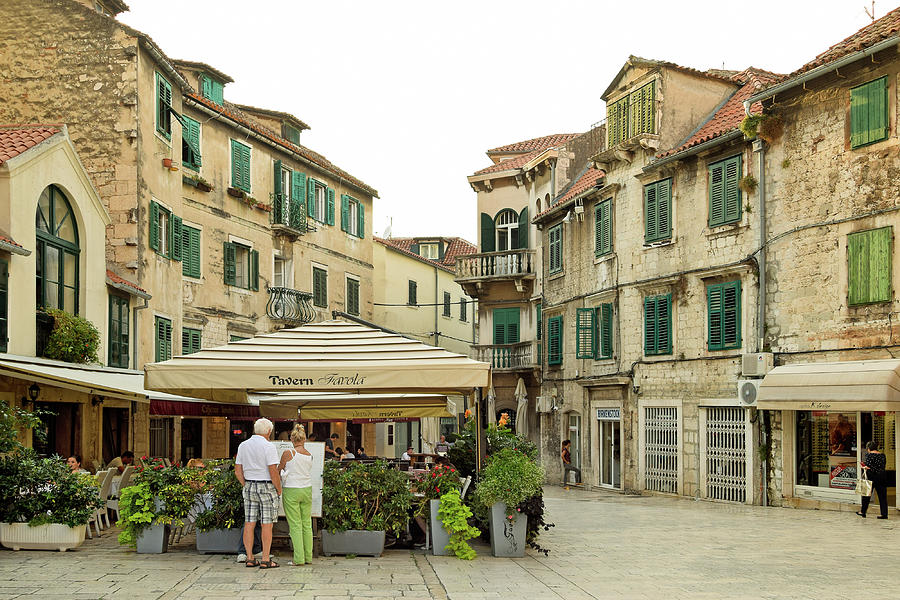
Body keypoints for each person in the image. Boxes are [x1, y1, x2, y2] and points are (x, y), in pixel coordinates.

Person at [235, 417, 282, 568]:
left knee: (249, 523)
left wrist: (246, 484)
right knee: (267, 524)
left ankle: (249, 558)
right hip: (266, 486)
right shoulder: (269, 447)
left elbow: (237, 471)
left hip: (249, 485)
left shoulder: (243, 445)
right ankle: (265, 559)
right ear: (269, 431)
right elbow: (273, 471)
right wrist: (278, 489)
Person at [278, 424, 313, 566]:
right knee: (306, 524)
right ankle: (308, 557)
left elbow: (278, 468)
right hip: (307, 489)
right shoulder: (309, 455)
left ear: (292, 439)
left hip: (291, 489)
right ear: (304, 439)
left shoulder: (288, 453)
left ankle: (298, 559)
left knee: (295, 525)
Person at [857, 440, 888, 519]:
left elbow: (868, 466)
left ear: (869, 448)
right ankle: (884, 514)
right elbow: (883, 465)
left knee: (866, 494)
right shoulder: (882, 455)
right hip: (881, 476)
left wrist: (863, 467)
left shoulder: (869, 455)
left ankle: (863, 512)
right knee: (882, 496)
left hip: (871, 476)